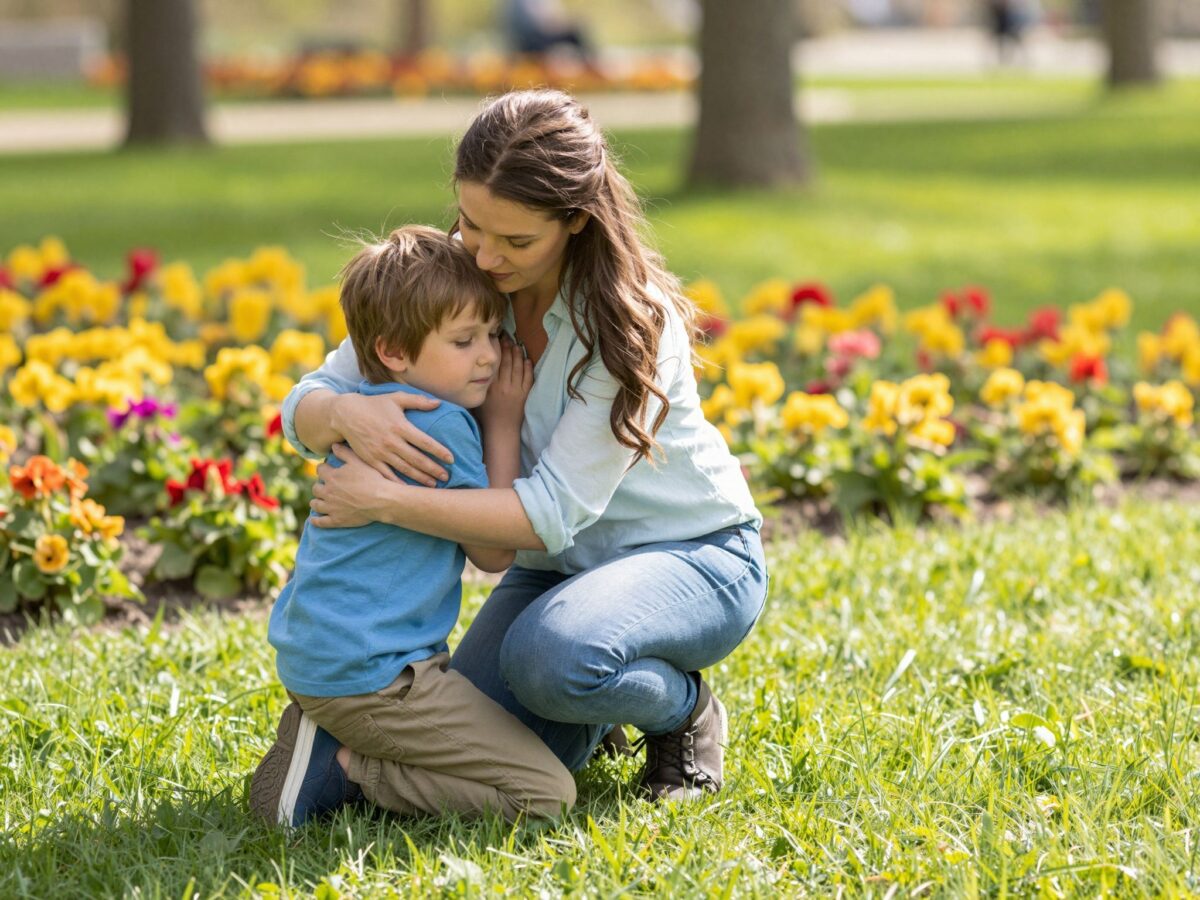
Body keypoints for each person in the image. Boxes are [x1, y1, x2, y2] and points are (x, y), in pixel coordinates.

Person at [283, 90, 769, 802]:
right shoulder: (457, 277)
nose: (484, 255)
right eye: (472, 224)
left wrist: (385, 499)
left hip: (692, 555)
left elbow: (547, 517)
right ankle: (593, 703)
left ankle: (682, 713)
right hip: (555, 577)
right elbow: (306, 402)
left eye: (516, 242)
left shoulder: (631, 323)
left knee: (551, 663)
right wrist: (344, 415)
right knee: (492, 738)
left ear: (576, 220)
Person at [249, 225, 576, 827]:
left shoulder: (375, 409)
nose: (488, 355)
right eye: (463, 340)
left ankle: (332, 739)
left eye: (492, 333)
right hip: (375, 680)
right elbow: (494, 552)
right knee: (545, 796)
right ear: (395, 351)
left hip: (329, 658)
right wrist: (502, 420)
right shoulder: (443, 423)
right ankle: (346, 768)